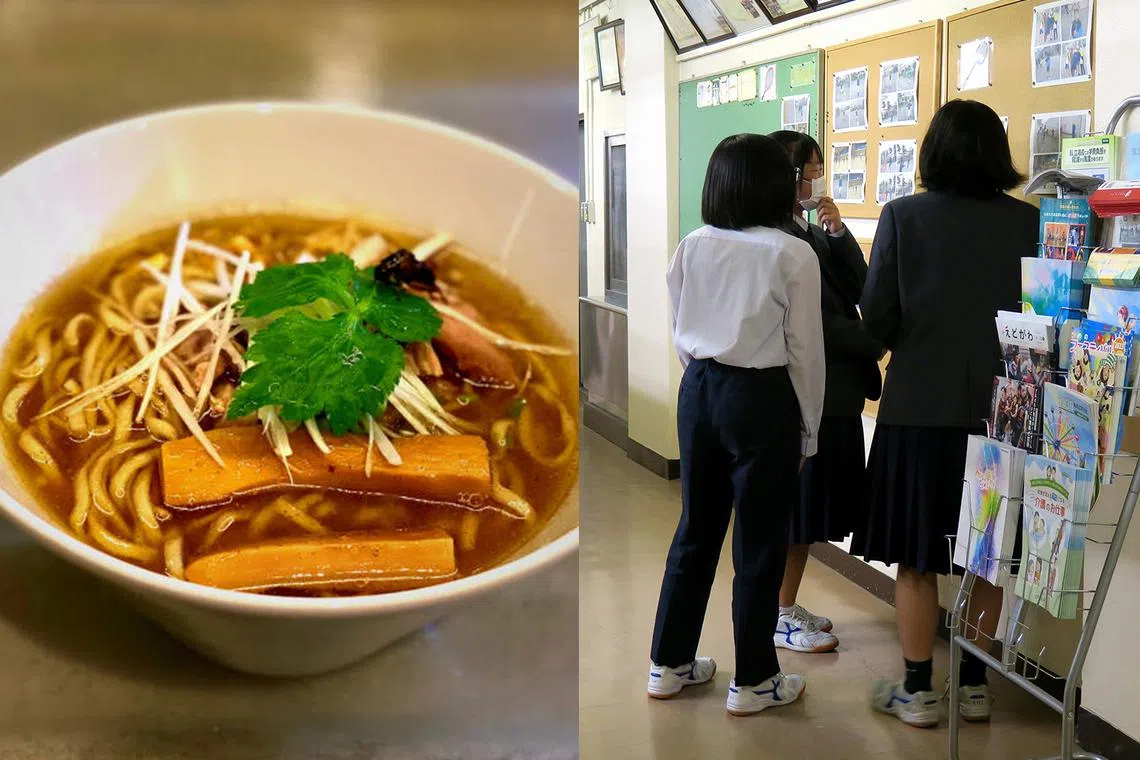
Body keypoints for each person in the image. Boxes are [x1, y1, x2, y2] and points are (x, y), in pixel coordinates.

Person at [855, 100, 1038, 727]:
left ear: (932, 153)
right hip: (1002, 418)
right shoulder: (1029, 223)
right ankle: (976, 685)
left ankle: (917, 690)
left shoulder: (903, 217)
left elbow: (876, 321)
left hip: (918, 412)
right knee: (986, 555)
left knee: (917, 555)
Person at [647, 133, 825, 716]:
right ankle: (753, 680)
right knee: (758, 540)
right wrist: (810, 430)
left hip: (698, 388)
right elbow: (805, 352)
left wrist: (704, 378)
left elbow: (677, 321)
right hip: (761, 397)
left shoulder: (693, 243)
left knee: (695, 528)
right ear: (777, 186)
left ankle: (668, 665)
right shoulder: (791, 252)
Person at [768, 130, 883, 655]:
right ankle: (779, 612)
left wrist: (838, 234)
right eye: (809, 170)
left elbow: (861, 289)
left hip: (834, 389)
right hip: (809, 391)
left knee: (810, 512)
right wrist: (872, 341)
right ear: (786, 175)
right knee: (798, 511)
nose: (817, 179)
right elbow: (812, 322)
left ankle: (786, 606)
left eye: (819, 169)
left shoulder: (810, 233)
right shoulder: (775, 239)